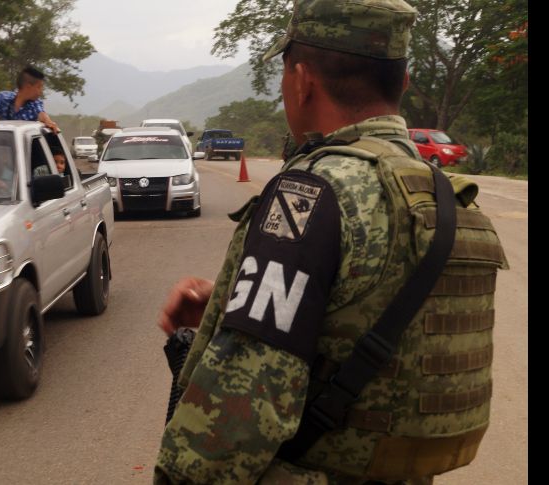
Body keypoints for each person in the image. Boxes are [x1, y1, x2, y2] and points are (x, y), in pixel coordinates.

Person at [154, 1, 509, 483]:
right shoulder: (442, 196)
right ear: (403, 83)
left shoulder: (310, 192)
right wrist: (227, 306)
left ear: (301, 80)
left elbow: (228, 427)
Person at [0, 66, 60, 132]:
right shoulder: (3, 98)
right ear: (28, 86)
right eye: (39, 87)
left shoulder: (35, 104)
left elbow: (42, 115)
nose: (41, 91)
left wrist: (48, 122)